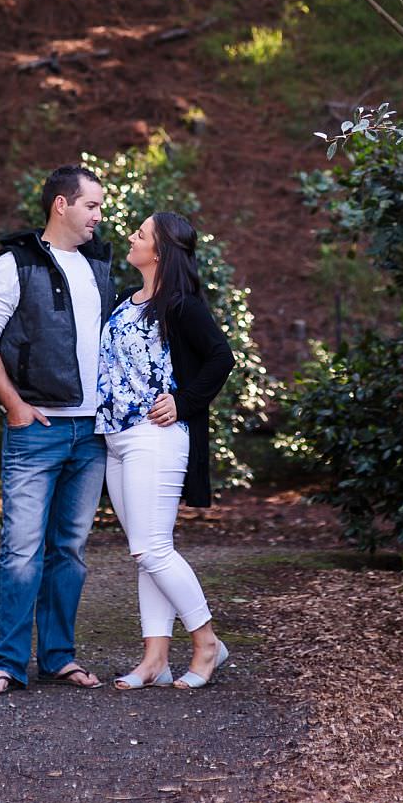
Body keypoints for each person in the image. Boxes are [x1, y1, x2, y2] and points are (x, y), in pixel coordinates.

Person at [0, 163, 116, 695]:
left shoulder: (100, 264)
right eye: (92, 205)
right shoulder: (16, 263)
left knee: (70, 550)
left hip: (91, 433)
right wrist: (14, 405)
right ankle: (6, 663)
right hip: (38, 428)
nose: (100, 215)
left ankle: (58, 657)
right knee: (22, 549)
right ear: (62, 205)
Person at [97, 209, 235, 691]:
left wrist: (185, 401)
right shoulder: (124, 300)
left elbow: (222, 356)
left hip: (154, 437)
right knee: (147, 553)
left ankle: (206, 642)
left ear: (160, 251)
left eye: (140, 234)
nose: (131, 238)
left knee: (151, 548)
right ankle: (155, 659)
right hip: (115, 439)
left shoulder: (180, 304)